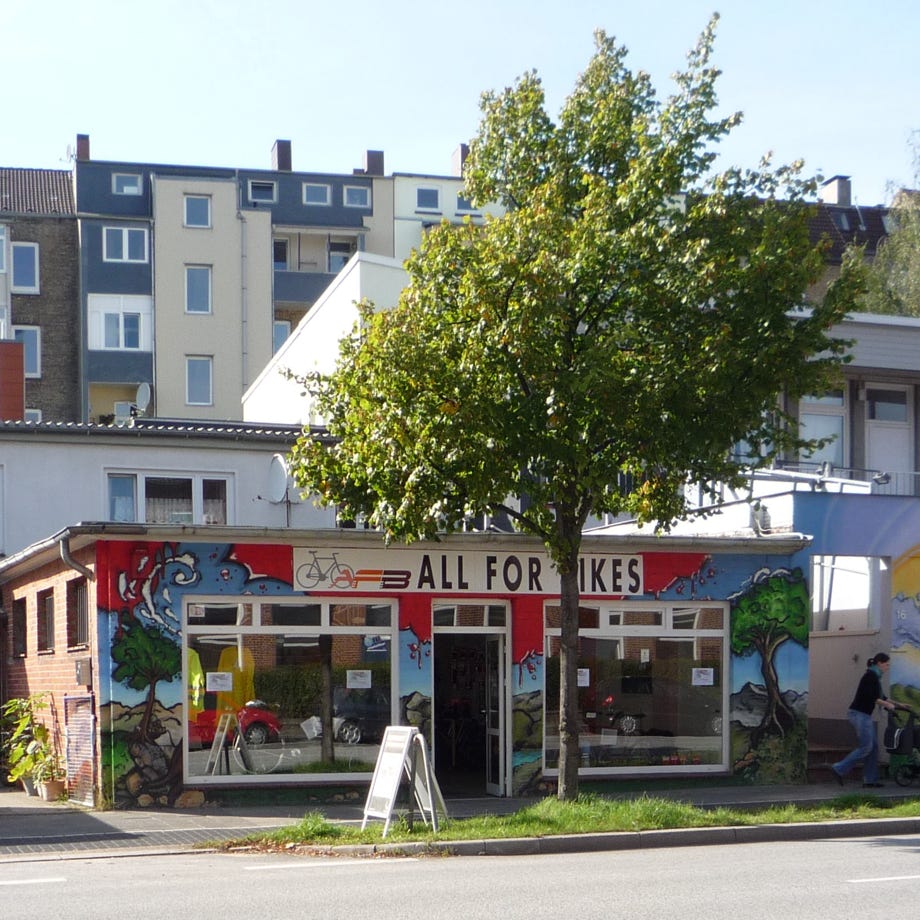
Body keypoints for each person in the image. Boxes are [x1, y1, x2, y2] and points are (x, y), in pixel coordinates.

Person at [831, 653, 907, 787]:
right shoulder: (869, 677)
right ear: (879, 663)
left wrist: (900, 705)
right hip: (859, 714)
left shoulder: (875, 677)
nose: (888, 667)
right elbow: (871, 697)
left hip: (864, 715)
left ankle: (870, 780)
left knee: (873, 748)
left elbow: (882, 697)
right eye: (887, 664)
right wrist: (888, 706)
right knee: (866, 747)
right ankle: (838, 768)